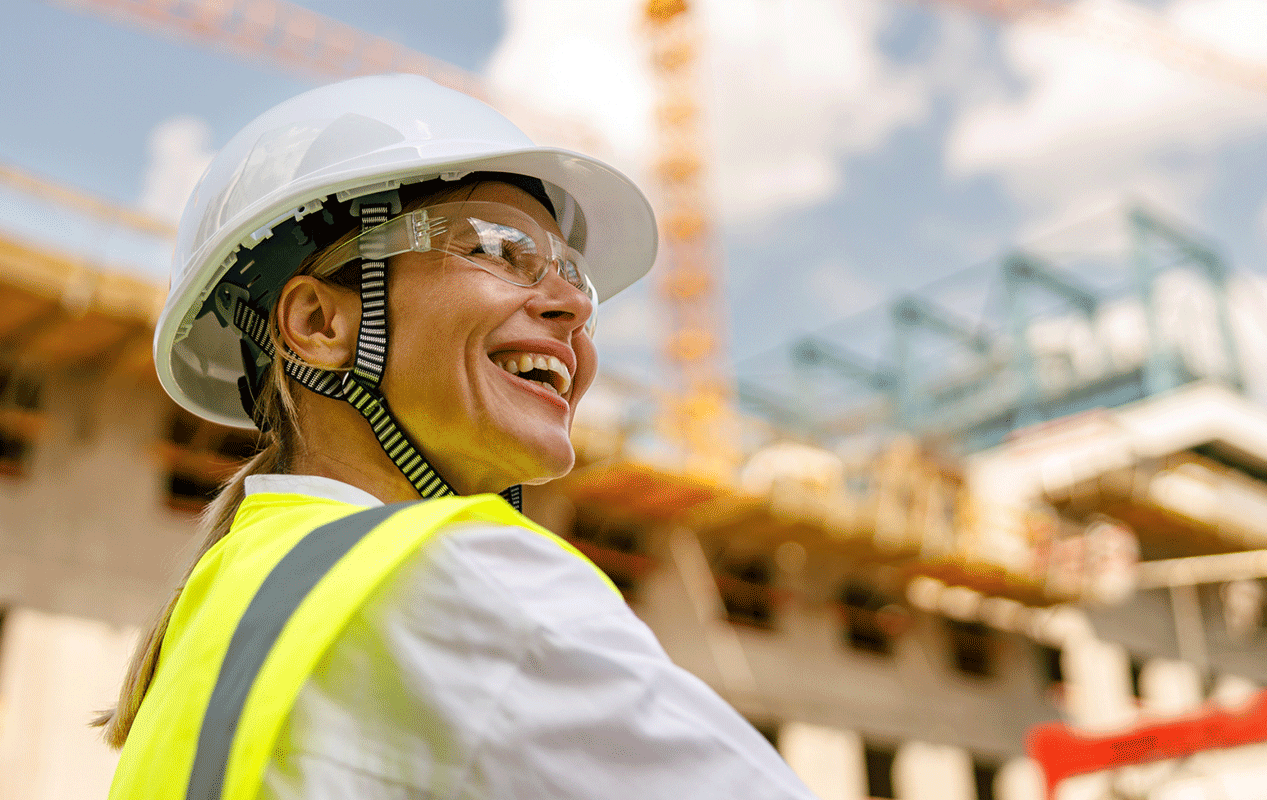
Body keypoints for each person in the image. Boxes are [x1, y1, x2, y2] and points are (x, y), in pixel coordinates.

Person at [97, 74, 817, 800]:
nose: (571, 304)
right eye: (501, 249)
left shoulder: (218, 616)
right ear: (320, 324)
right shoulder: (458, 577)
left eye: (576, 278)